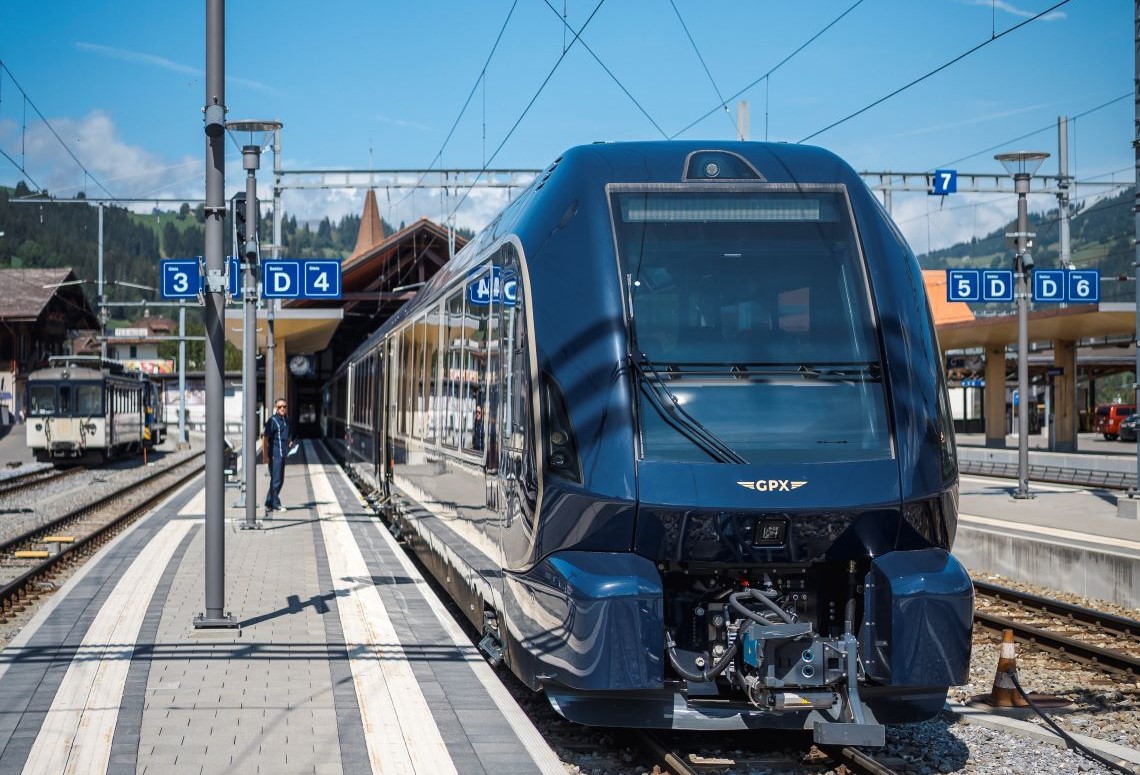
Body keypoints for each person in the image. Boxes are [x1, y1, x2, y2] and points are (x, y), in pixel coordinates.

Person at [261, 398, 292, 513]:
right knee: (276, 480)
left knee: (279, 480)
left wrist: (289, 441)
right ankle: (276, 504)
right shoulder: (272, 421)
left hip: (283, 453)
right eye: (280, 407)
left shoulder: (286, 420)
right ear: (276, 408)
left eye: (284, 406)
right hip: (275, 455)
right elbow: (265, 438)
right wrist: (266, 456)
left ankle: (269, 502)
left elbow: (286, 435)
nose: (282, 408)